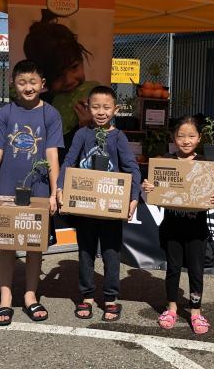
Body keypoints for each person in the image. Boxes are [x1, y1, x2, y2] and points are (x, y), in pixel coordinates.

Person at [0, 59, 63, 326]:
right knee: (7, 245)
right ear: (12, 84)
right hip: (6, 190)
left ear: (43, 85)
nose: (28, 87)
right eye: (22, 82)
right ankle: (5, 299)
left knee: (34, 246)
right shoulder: (4, 114)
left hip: (38, 189)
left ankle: (30, 295)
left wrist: (54, 191)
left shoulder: (50, 115)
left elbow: (51, 153)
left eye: (33, 82)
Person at [56, 85, 141, 322]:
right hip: (84, 208)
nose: (101, 112)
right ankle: (87, 296)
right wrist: (61, 187)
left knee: (111, 254)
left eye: (106, 107)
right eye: (95, 107)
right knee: (85, 253)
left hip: (111, 209)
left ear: (115, 109)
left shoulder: (119, 137)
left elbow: (131, 168)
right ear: (87, 108)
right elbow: (69, 162)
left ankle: (111, 298)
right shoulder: (82, 134)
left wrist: (134, 197)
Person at [142, 116, 214, 335]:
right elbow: (151, 191)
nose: (186, 140)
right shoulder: (166, 162)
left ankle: (195, 312)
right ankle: (171, 308)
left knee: (196, 271)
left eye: (191, 136)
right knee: (172, 268)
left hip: (197, 228)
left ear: (199, 138)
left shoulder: (205, 164)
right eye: (181, 136)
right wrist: (148, 187)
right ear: (173, 138)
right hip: (171, 226)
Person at [23, 9, 97, 157]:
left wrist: (94, 130)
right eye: (58, 75)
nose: (69, 80)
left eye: (74, 67)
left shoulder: (98, 104)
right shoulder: (36, 113)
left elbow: (104, 164)